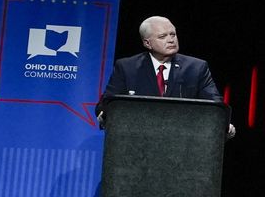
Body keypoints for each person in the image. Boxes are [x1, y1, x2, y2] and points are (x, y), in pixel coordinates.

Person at [97, 16, 234, 138]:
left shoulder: (196, 68)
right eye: (162, 37)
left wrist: (223, 124)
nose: (171, 40)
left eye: (173, 34)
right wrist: (104, 115)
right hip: (138, 141)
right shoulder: (127, 67)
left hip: (184, 142)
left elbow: (215, 105)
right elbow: (107, 104)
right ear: (147, 43)